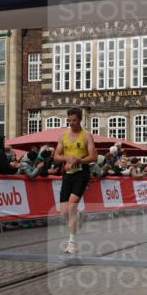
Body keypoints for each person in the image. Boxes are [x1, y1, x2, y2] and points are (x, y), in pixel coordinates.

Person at [55, 107, 95, 255]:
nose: (72, 123)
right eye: (70, 121)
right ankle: (78, 216)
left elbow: (93, 157)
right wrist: (67, 158)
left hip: (81, 174)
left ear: (80, 120)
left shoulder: (87, 136)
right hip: (68, 174)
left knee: (71, 207)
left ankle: (72, 243)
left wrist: (79, 160)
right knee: (64, 212)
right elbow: (56, 156)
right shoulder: (63, 136)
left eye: (75, 121)